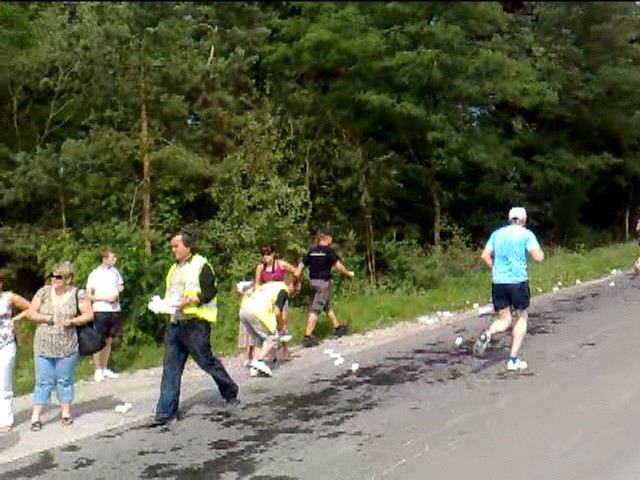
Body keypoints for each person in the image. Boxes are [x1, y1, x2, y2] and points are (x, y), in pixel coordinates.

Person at [153, 230, 239, 426]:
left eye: (176, 245)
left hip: (196, 323)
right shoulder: (173, 269)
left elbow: (210, 291)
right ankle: (165, 412)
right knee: (171, 368)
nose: (172, 249)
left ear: (187, 246)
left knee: (206, 361)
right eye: (172, 246)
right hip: (176, 323)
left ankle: (230, 392)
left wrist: (190, 300)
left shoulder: (201, 265)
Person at [473, 207, 544, 371]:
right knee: (521, 318)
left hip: (498, 282)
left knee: (504, 320)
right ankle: (513, 360)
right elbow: (538, 257)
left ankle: (489, 333)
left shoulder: (497, 234)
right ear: (524, 220)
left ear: (509, 218)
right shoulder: (526, 234)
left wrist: (494, 268)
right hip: (518, 282)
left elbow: (485, 255)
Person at [26, 261, 94, 430]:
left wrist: (73, 321)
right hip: (43, 345)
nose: (54, 280)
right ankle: (36, 417)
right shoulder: (43, 292)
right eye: (52, 276)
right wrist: (46, 318)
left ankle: (65, 413)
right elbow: (30, 313)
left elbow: (89, 315)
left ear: (68, 279)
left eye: (58, 277)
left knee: (65, 381)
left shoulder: (79, 294)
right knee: (43, 381)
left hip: (67, 346)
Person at [294, 228, 354, 348]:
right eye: (331, 238)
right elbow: (338, 266)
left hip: (313, 283)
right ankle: (307, 337)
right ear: (327, 238)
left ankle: (337, 328)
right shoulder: (328, 251)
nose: (331, 240)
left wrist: (297, 275)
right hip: (323, 284)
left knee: (327, 306)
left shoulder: (312, 251)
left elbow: (301, 264)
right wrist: (348, 273)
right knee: (315, 310)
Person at [239, 274, 301, 377]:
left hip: (244, 310)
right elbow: (277, 312)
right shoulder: (283, 290)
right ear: (291, 285)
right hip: (257, 312)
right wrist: (282, 326)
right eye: (296, 290)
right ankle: (259, 361)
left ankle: (254, 368)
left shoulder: (272, 285)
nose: (294, 293)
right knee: (273, 337)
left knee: (258, 338)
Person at [86, 248, 125, 383]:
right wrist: (105, 298)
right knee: (98, 340)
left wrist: (118, 289)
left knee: (109, 340)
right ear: (104, 259)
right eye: (112, 257)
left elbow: (121, 285)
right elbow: (89, 295)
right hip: (101, 309)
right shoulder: (94, 274)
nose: (115, 260)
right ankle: (97, 369)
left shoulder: (115, 272)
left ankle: (104, 367)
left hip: (114, 309)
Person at [253, 243, 297, 359]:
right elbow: (257, 284)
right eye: (263, 255)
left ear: (273, 254)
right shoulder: (260, 267)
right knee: (270, 323)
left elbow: (296, 271)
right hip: (267, 297)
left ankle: (285, 349)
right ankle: (272, 350)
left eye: (268, 254)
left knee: (282, 321)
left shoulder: (281, 264)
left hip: (281, 295)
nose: (265, 257)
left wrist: (292, 284)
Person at [0, 271, 30, 433]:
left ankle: (5, 419)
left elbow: (32, 307)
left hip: (6, 344)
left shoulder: (8, 297)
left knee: (3, 382)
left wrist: (16, 319)